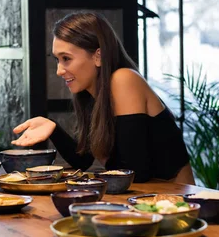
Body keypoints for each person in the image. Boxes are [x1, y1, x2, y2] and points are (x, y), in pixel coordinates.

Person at [12, 11, 194, 184]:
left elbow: (135, 173)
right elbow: (82, 161)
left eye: (66, 58)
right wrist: (53, 128)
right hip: (139, 203)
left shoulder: (123, 79)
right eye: (57, 60)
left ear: (98, 56)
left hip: (175, 205)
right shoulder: (94, 95)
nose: (59, 70)